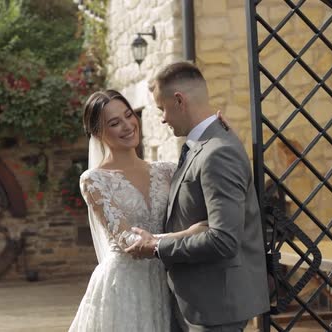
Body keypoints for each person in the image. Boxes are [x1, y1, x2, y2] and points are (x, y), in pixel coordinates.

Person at [125, 62, 270, 332]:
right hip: (198, 300)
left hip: (216, 306)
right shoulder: (210, 141)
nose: (163, 119)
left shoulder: (218, 152)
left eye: (162, 109)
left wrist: (157, 247)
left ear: (179, 100)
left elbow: (223, 240)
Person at [69, 89, 213, 332]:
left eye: (129, 115)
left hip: (168, 280)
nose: (127, 126)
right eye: (115, 123)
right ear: (97, 133)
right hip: (125, 287)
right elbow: (128, 241)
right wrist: (190, 233)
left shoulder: (167, 170)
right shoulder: (94, 180)